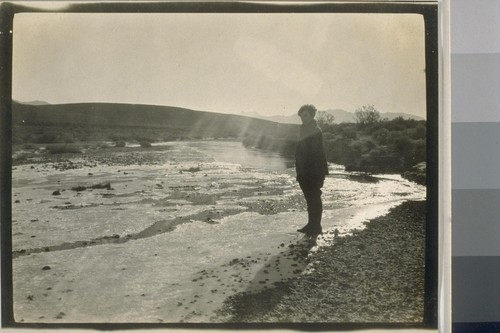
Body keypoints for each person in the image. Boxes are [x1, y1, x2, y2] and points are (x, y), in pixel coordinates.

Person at [295, 104, 329, 237]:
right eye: (301, 116)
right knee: (310, 199)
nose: (303, 118)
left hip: (314, 171)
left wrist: (305, 170)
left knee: (314, 197)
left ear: (312, 115)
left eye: (305, 116)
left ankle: (316, 226)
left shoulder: (314, 130)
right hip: (305, 170)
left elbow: (313, 153)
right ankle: (311, 225)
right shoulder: (305, 129)